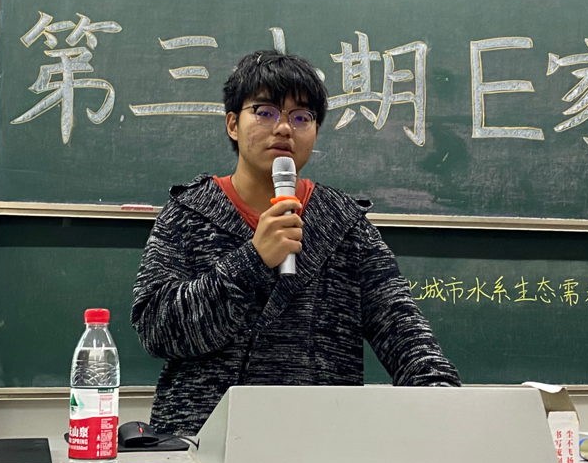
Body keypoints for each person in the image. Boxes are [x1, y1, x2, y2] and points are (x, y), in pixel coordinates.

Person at [132, 50, 460, 435]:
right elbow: (155, 330)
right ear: (233, 124)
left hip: (317, 443)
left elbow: (402, 329)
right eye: (266, 112)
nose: (284, 128)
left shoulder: (344, 223)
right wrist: (251, 261)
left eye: (302, 117)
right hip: (200, 442)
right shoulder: (190, 211)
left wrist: (445, 405)